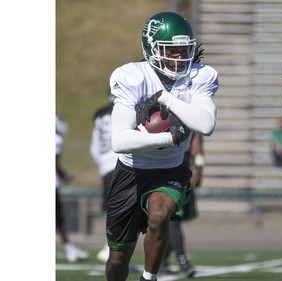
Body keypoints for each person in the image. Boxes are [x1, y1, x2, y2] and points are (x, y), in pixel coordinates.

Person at [105, 11, 219, 281]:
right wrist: (169, 137)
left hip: (171, 169)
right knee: (117, 259)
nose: (180, 57)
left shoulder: (200, 76)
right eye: (172, 50)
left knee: (159, 216)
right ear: (151, 49)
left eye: (183, 49)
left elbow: (206, 124)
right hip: (130, 173)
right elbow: (119, 141)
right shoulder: (132, 76)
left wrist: (165, 98)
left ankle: (149, 277)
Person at [159, 133, 204, 278]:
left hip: (182, 174)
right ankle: (182, 261)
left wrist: (198, 170)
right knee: (173, 220)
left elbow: (198, 150)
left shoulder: (193, 126)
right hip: (166, 175)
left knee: (173, 221)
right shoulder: (165, 119)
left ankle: (163, 263)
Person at [56, 114, 89, 262]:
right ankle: (70, 250)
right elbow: (54, 163)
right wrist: (65, 176)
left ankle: (69, 248)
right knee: (59, 219)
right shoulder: (56, 139)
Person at [90, 95, 119, 263]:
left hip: (105, 166)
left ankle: (111, 247)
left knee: (112, 208)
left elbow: (94, 146)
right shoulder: (122, 109)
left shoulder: (100, 115)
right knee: (124, 207)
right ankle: (110, 247)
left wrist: (102, 163)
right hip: (120, 162)